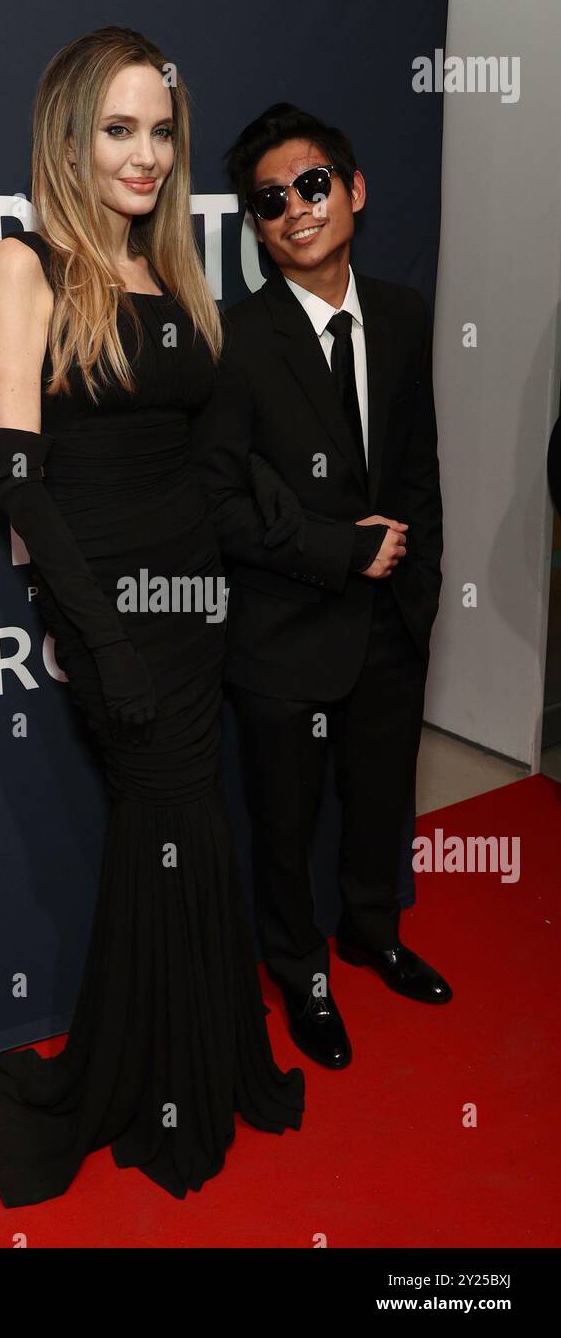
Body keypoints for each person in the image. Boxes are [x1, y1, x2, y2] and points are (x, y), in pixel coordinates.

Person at [0, 32, 304, 1206]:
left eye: (161, 131)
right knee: (174, 831)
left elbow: (188, 447)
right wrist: (102, 638)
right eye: (120, 129)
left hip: (194, 599)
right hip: (113, 614)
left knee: (181, 839)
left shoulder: (168, 272)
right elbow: (16, 480)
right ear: (70, 133)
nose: (146, 154)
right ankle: (144, 1088)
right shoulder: (27, 267)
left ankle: (190, 1067)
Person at [191, 104, 451, 1074]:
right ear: (256, 227)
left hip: (389, 622)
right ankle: (301, 970)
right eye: (270, 200)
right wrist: (342, 550)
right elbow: (218, 504)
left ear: (354, 190)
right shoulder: (237, 339)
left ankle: (372, 932)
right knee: (286, 824)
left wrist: (421, 595)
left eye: (311, 185)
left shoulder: (401, 312)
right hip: (282, 633)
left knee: (381, 800)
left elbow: (419, 464)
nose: (295, 209)